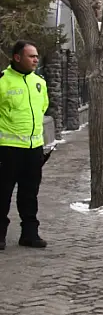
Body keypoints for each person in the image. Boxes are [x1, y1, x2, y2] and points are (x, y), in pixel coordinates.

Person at [0, 41, 49, 249]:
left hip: (34, 148)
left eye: (37, 56)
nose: (35, 60)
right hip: (8, 149)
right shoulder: (3, 81)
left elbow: (43, 107)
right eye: (31, 56)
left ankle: (30, 234)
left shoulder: (40, 82)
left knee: (30, 194)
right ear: (17, 57)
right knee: (3, 193)